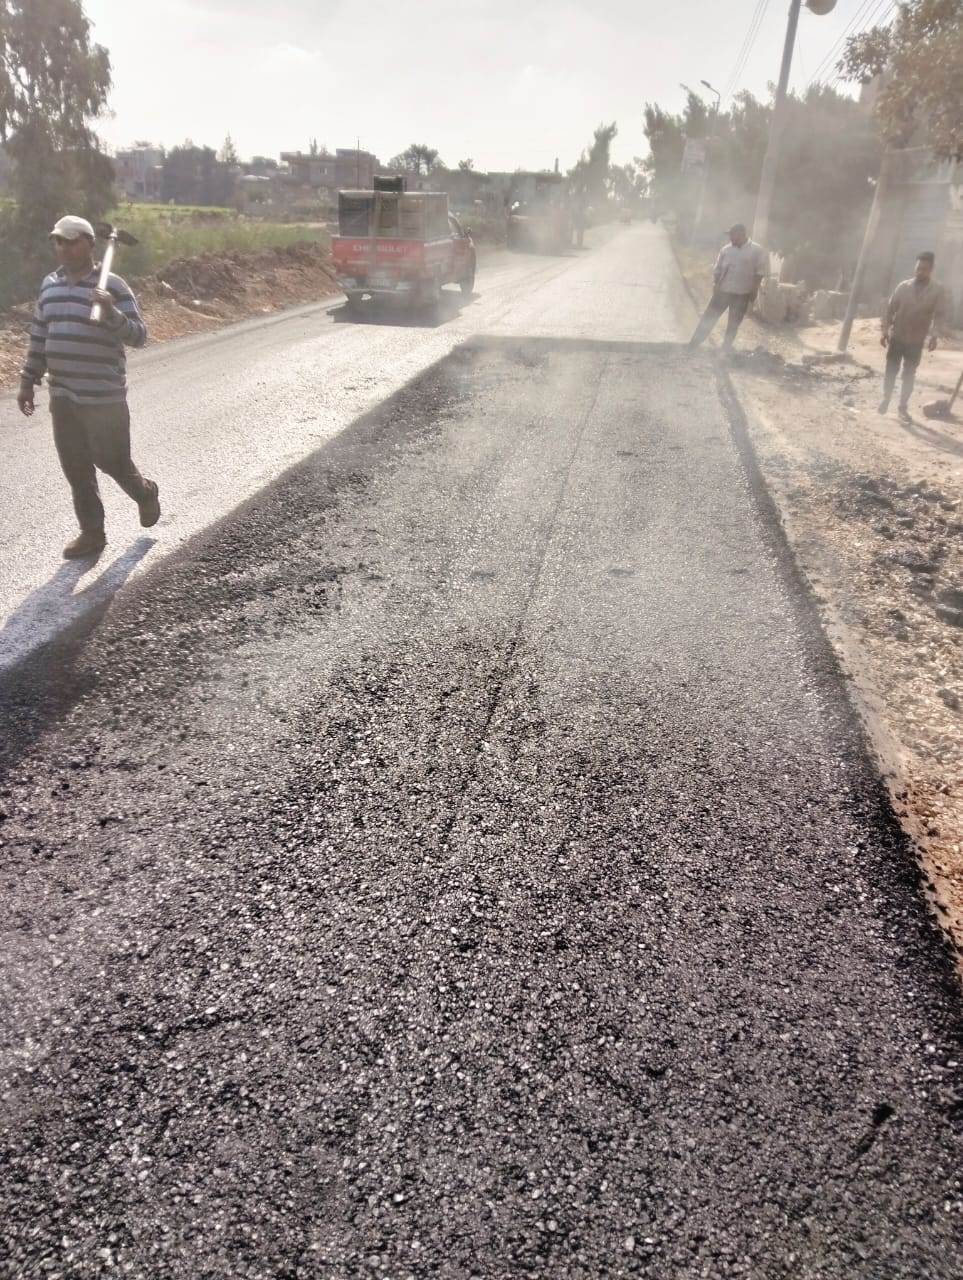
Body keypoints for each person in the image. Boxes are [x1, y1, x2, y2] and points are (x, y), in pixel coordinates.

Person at [17, 215, 160, 560]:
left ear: (90, 244)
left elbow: (139, 336)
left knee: (112, 461)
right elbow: (39, 336)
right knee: (77, 467)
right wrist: (28, 380)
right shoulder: (49, 285)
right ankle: (92, 534)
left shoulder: (113, 286)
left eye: (71, 241)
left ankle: (144, 492)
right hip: (62, 395)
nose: (64, 248)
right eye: (58, 241)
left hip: (104, 397)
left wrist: (111, 312)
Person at [879, 251, 947, 420]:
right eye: (918, 268)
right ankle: (886, 398)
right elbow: (889, 310)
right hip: (898, 337)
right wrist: (885, 331)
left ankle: (902, 407)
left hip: (916, 340)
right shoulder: (903, 287)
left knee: (909, 374)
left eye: (924, 269)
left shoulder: (937, 290)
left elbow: (939, 315)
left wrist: (934, 336)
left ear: (931, 270)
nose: (920, 272)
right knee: (891, 370)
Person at [688, 223, 768, 352]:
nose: (730, 238)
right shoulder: (726, 250)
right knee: (709, 318)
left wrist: (754, 290)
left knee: (733, 324)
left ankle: (724, 350)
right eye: (730, 235)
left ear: (741, 234)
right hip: (723, 291)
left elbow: (760, 272)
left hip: (742, 294)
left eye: (732, 235)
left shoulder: (757, 250)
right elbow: (718, 269)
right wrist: (715, 284)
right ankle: (693, 344)